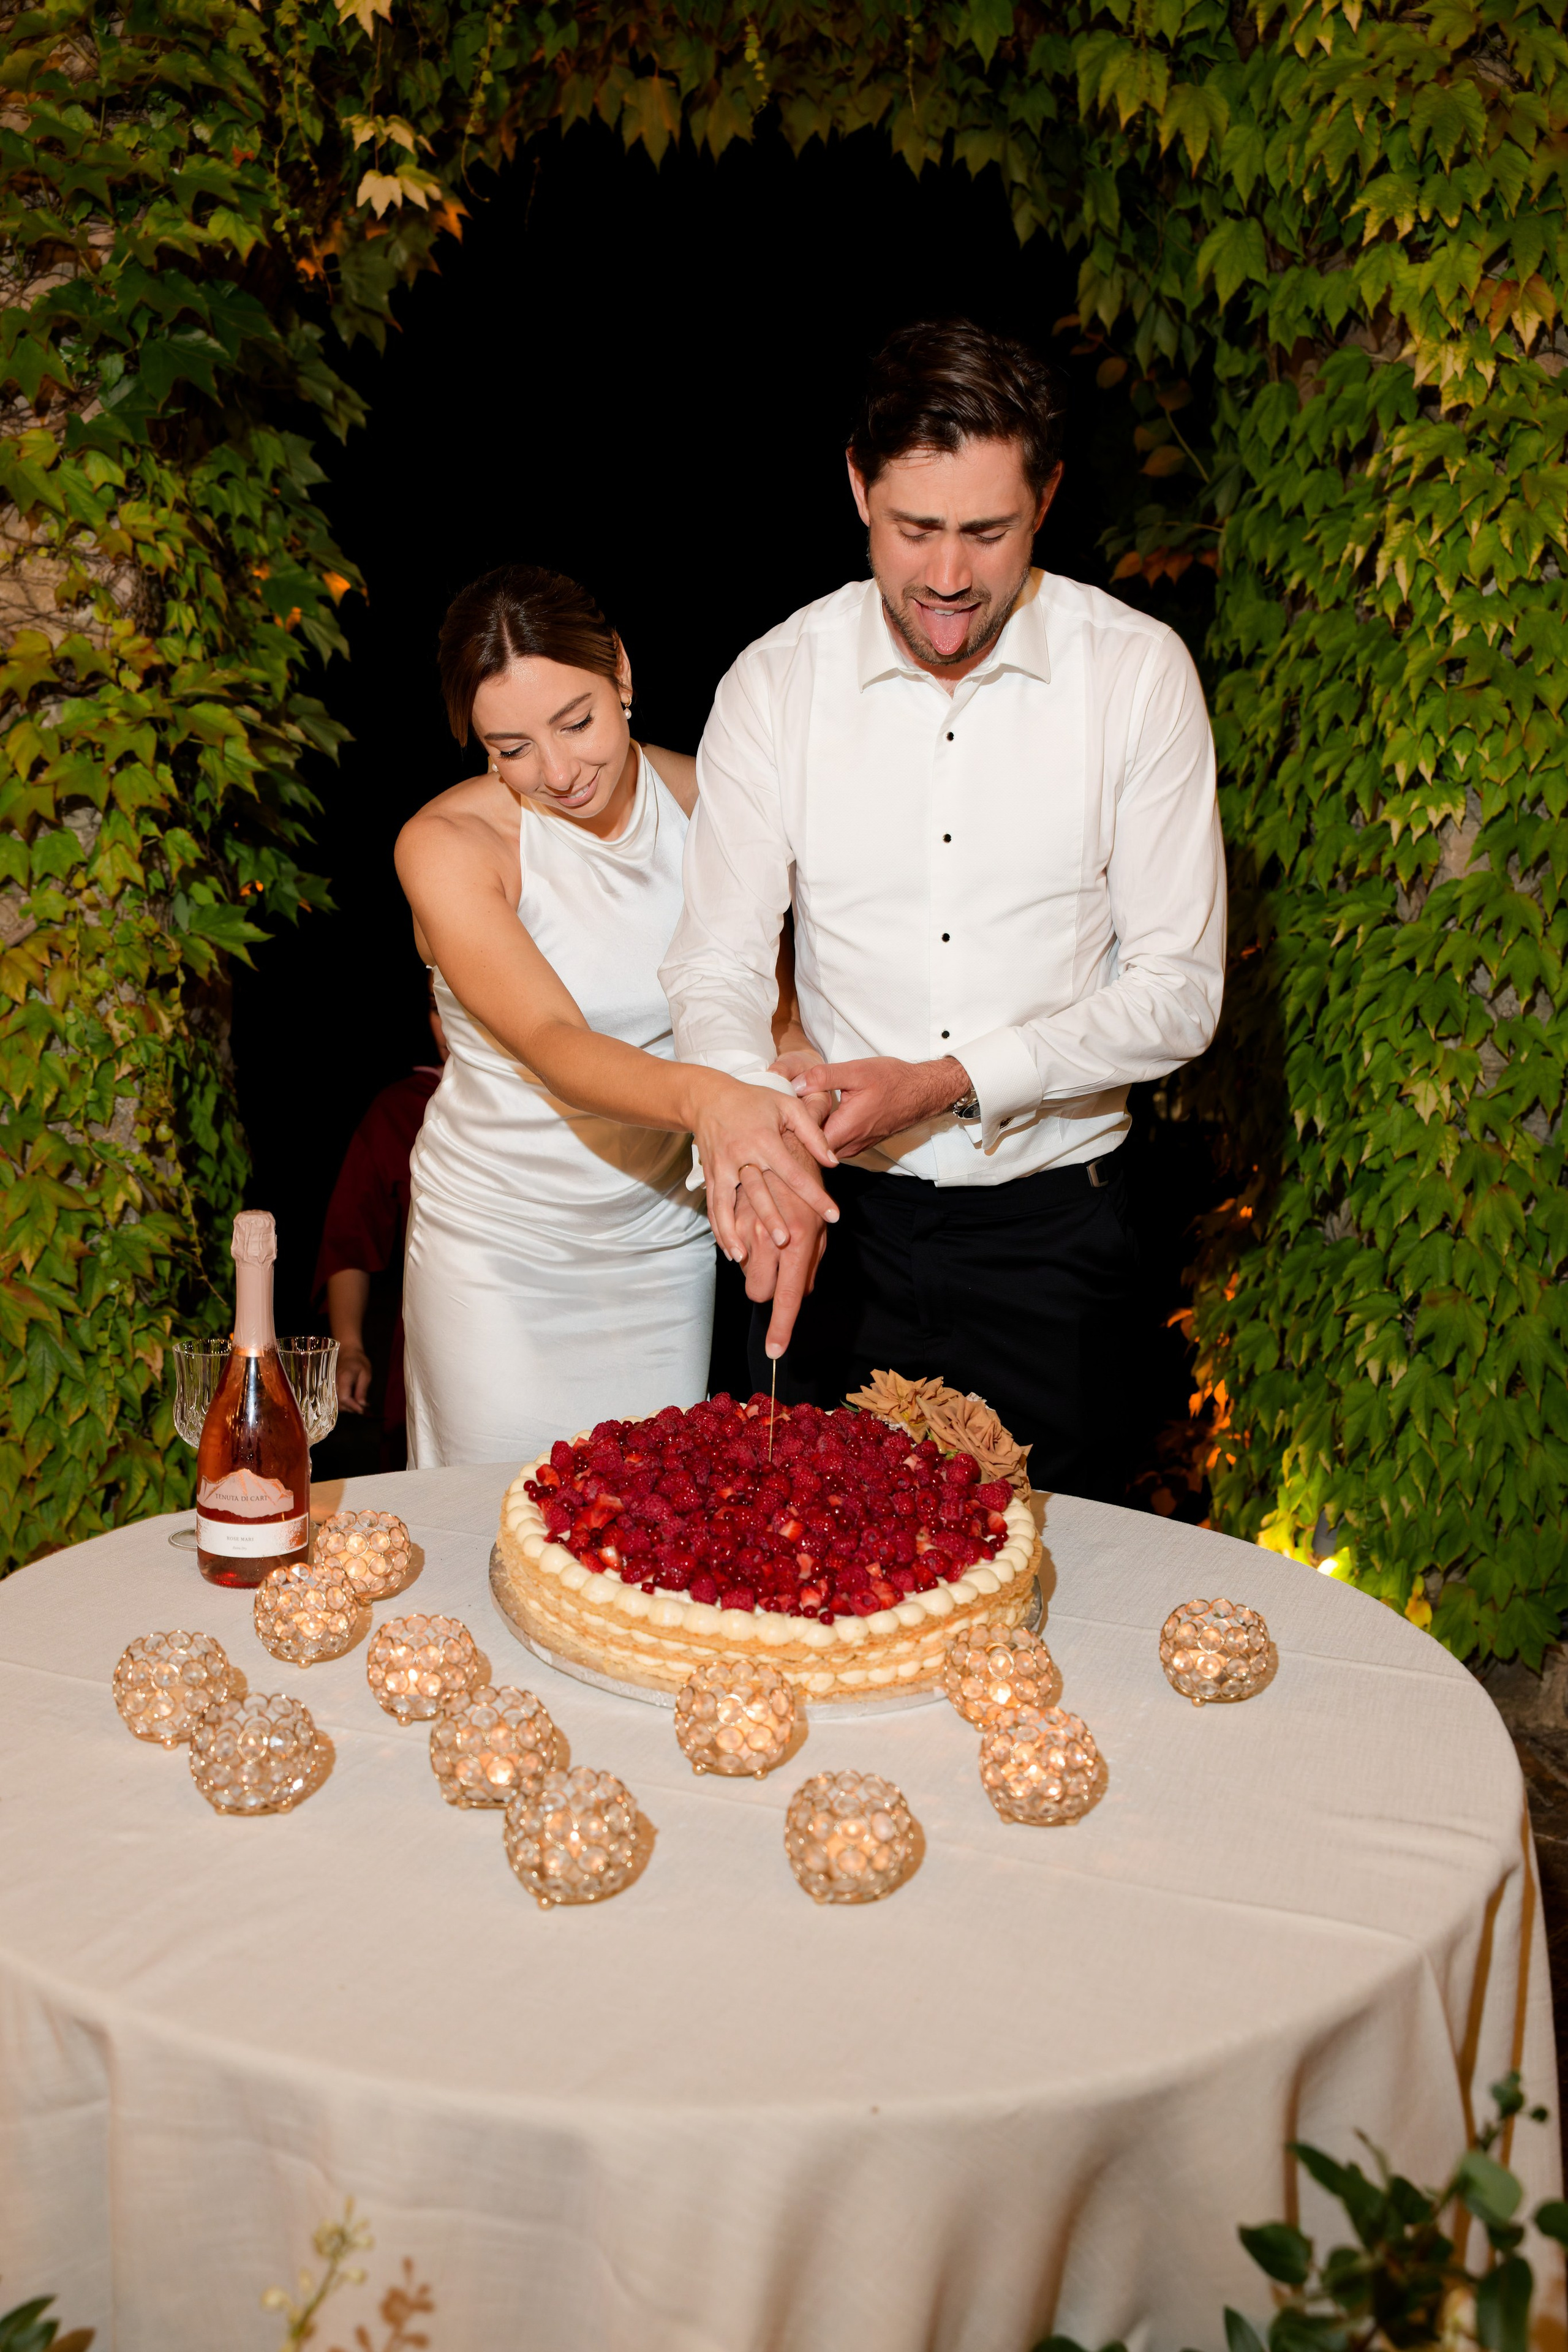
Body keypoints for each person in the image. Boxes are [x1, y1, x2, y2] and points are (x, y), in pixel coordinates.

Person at [659, 318, 1226, 1502]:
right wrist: (758, 1134)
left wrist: (947, 1078)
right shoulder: (776, 681)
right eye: (916, 531)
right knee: (809, 1591)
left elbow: (1180, 997)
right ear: (858, 486)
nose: (951, 577)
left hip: (1057, 1245)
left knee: (1052, 1608)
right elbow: (714, 963)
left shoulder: (1137, 675)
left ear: (1051, 498)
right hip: (830, 1223)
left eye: (988, 531)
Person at [393, 564, 835, 1469]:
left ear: (622, 677)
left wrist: (786, 1132)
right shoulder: (447, 846)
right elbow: (557, 1046)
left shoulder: (717, 805)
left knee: (645, 1533)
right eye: (511, 747)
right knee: (498, 1530)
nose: (557, 772)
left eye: (576, 722)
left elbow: (779, 1018)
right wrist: (714, 1104)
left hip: (660, 1248)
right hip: (498, 1252)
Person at [311, 978, 448, 1469]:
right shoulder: (401, 1110)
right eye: (435, 1005)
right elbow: (350, 1237)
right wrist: (350, 1346)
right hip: (427, 1355)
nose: (447, 1023)